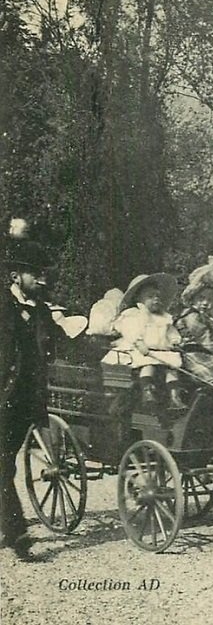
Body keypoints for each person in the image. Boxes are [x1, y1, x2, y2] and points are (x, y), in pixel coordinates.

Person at [1, 238, 58, 560]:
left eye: (42, 273)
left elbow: (54, 346)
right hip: (3, 394)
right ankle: (17, 534)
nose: (42, 279)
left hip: (26, 400)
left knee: (5, 463)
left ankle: (9, 528)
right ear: (15, 276)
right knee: (2, 464)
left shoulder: (41, 310)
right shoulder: (2, 305)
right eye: (34, 273)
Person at [100, 273, 186, 410]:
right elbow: (129, 330)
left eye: (158, 296)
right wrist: (139, 342)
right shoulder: (134, 314)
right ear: (139, 298)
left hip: (162, 350)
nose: (156, 299)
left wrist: (175, 341)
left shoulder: (163, 317)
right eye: (150, 296)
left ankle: (175, 397)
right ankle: (147, 391)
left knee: (172, 369)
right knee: (148, 366)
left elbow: (171, 332)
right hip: (143, 350)